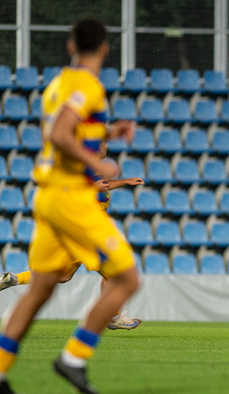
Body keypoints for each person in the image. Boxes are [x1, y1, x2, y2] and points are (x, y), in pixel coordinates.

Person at [0, 19, 139, 394]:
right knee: (127, 278)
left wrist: (108, 133)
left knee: (43, 287)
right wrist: (100, 165)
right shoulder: (87, 85)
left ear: (70, 45)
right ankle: (73, 358)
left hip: (46, 195)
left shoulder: (58, 84)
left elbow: (65, 128)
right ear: (105, 48)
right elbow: (61, 134)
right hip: (70, 197)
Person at [0, 141, 144, 331]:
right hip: (89, 232)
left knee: (62, 276)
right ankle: (111, 319)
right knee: (117, 273)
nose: (107, 147)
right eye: (103, 143)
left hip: (83, 232)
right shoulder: (82, 167)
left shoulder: (93, 167)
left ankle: (13, 278)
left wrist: (125, 182)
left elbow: (102, 186)